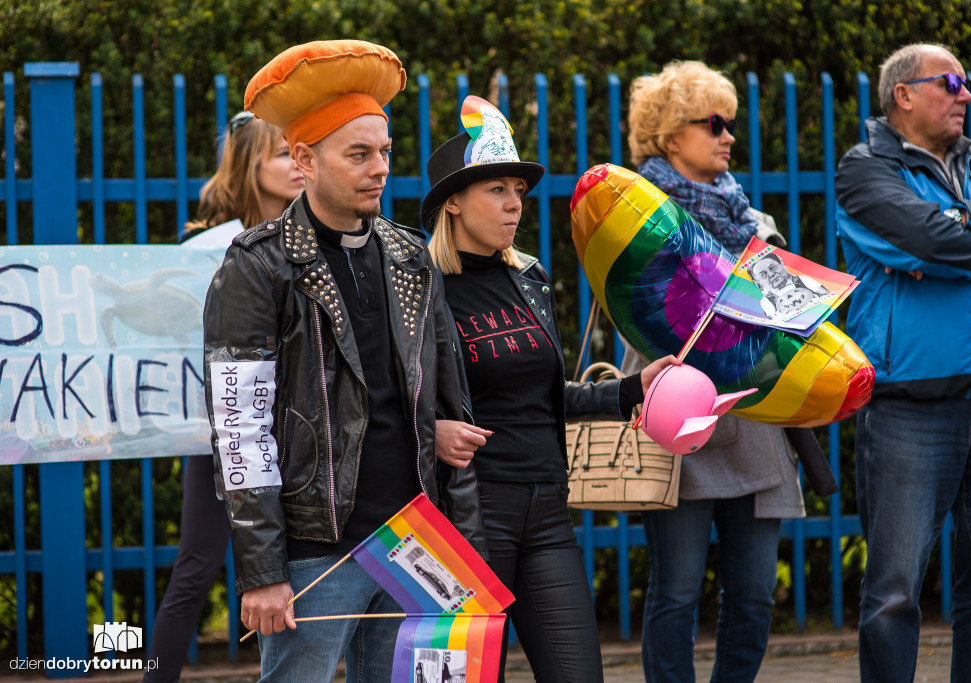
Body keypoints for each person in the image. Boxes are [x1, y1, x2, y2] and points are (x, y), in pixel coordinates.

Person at [202, 40, 484, 682]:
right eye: (358, 154)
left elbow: (448, 407)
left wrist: (460, 542)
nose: (379, 168)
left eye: (383, 152)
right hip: (313, 555)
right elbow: (239, 430)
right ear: (304, 158)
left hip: (416, 542)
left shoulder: (412, 258)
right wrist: (263, 571)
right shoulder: (257, 265)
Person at [421, 95, 679, 682]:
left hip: (546, 508)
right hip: (468, 513)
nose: (515, 204)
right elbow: (385, 397)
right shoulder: (420, 288)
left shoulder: (529, 277)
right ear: (453, 202)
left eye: (518, 190)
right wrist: (428, 430)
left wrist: (632, 388)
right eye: (497, 191)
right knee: (465, 676)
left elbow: (543, 396)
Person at [626, 60, 820, 683]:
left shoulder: (751, 221)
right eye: (713, 124)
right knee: (677, 592)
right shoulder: (636, 219)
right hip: (679, 419)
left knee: (756, 596)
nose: (728, 136)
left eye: (730, 124)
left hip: (756, 420)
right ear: (669, 137)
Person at [836, 43, 971, 683]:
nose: (965, 95)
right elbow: (922, 239)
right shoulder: (864, 171)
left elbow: (955, 238)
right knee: (894, 592)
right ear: (903, 95)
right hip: (907, 406)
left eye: (967, 83)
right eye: (949, 82)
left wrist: (962, 221)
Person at [144, 111, 303, 683]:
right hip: (223, 433)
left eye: (301, 151)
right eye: (283, 154)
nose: (297, 164)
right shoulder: (207, 251)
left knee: (301, 568)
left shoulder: (316, 241)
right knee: (197, 567)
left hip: (298, 432)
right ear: (249, 166)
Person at [748, 253, 828, 321]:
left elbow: (827, 295)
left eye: (773, 268)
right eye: (763, 275)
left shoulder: (802, 279)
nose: (771, 274)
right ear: (758, 283)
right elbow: (775, 322)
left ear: (782, 264)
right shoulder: (766, 301)